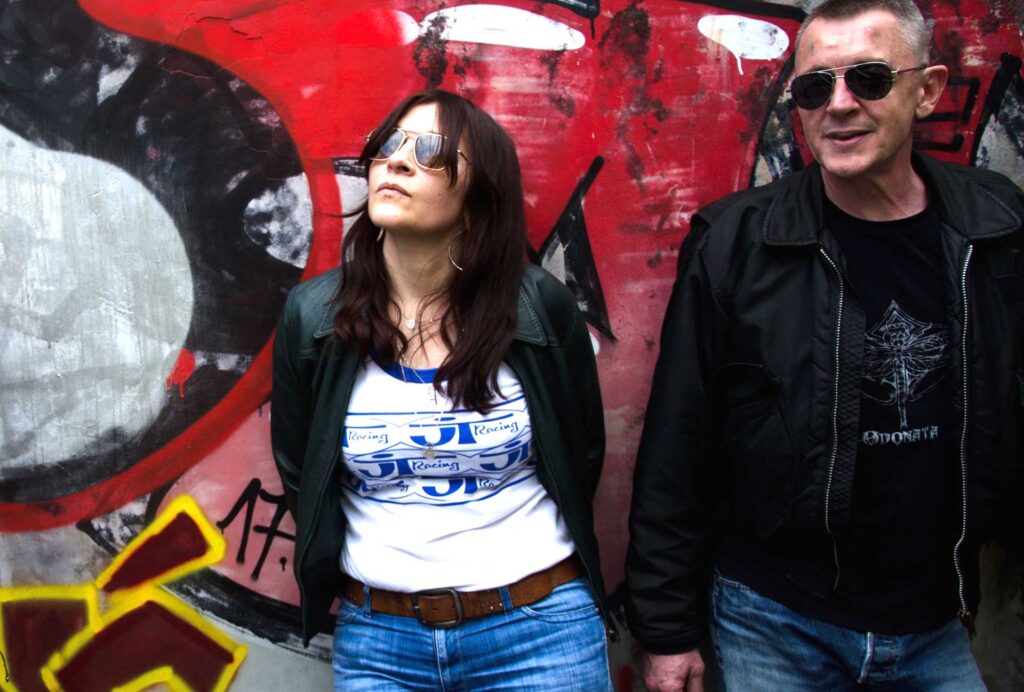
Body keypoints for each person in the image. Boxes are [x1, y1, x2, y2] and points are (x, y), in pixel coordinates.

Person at [625, 0, 1023, 690]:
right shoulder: (736, 243)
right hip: (775, 619)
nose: (838, 105)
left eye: (869, 79)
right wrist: (666, 630)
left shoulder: (996, 226)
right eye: (815, 87)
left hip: (937, 619)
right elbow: (677, 443)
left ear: (926, 90)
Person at [271, 89, 613, 690]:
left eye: (429, 150)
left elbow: (579, 452)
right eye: (388, 145)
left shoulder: (538, 308)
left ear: (478, 199)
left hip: (538, 631)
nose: (396, 162)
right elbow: (302, 470)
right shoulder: (314, 317)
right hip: (380, 643)